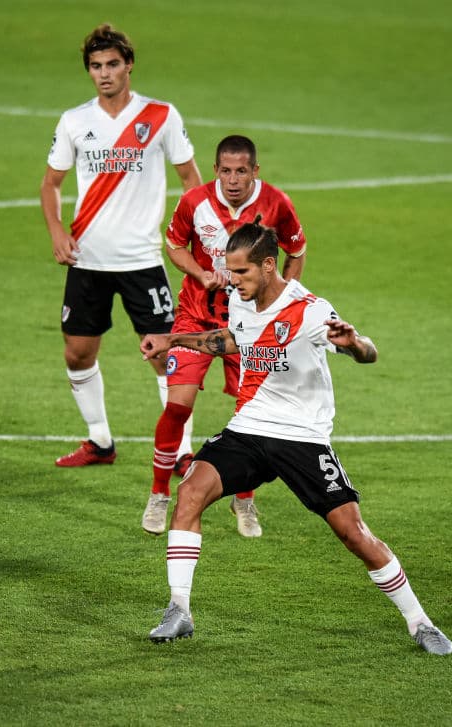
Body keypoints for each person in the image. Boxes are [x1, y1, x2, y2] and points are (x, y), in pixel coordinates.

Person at [140, 220, 452, 655]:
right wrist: (173, 339)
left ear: (269, 266)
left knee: (353, 532)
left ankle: (419, 622)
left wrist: (354, 343)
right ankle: (178, 610)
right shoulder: (239, 299)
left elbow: (367, 353)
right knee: (190, 492)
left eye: (242, 273)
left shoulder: (309, 309)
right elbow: (235, 340)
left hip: (301, 436)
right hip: (250, 427)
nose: (233, 281)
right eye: (230, 273)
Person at [40, 23, 203, 467]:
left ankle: (183, 451)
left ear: (128, 65)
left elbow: (191, 179)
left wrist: (196, 232)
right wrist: (56, 229)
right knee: (77, 352)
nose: (104, 73)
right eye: (96, 66)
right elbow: (51, 183)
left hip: (141, 259)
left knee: (165, 353)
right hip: (87, 258)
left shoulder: (161, 116)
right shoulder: (75, 121)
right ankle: (99, 441)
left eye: (112, 64)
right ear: (89, 71)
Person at [142, 134, 307, 537]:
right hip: (195, 318)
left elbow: (297, 251)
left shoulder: (276, 203)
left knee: (249, 412)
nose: (234, 179)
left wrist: (279, 299)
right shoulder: (194, 201)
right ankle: (159, 492)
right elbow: (174, 244)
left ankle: (244, 500)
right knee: (178, 406)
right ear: (216, 170)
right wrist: (199, 273)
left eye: (242, 171)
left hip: (249, 325)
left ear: (255, 171)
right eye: (227, 171)